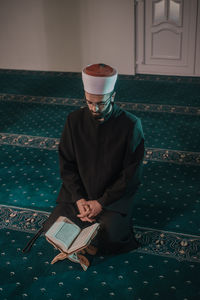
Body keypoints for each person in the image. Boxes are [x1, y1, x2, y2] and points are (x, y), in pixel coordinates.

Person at [46, 63, 145, 255]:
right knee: (54, 228)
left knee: (110, 235)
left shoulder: (130, 125)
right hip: (80, 194)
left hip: (113, 198)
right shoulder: (73, 120)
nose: (95, 108)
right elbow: (67, 164)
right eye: (90, 102)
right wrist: (79, 198)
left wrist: (101, 203)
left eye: (101, 103)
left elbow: (131, 174)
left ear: (112, 97)